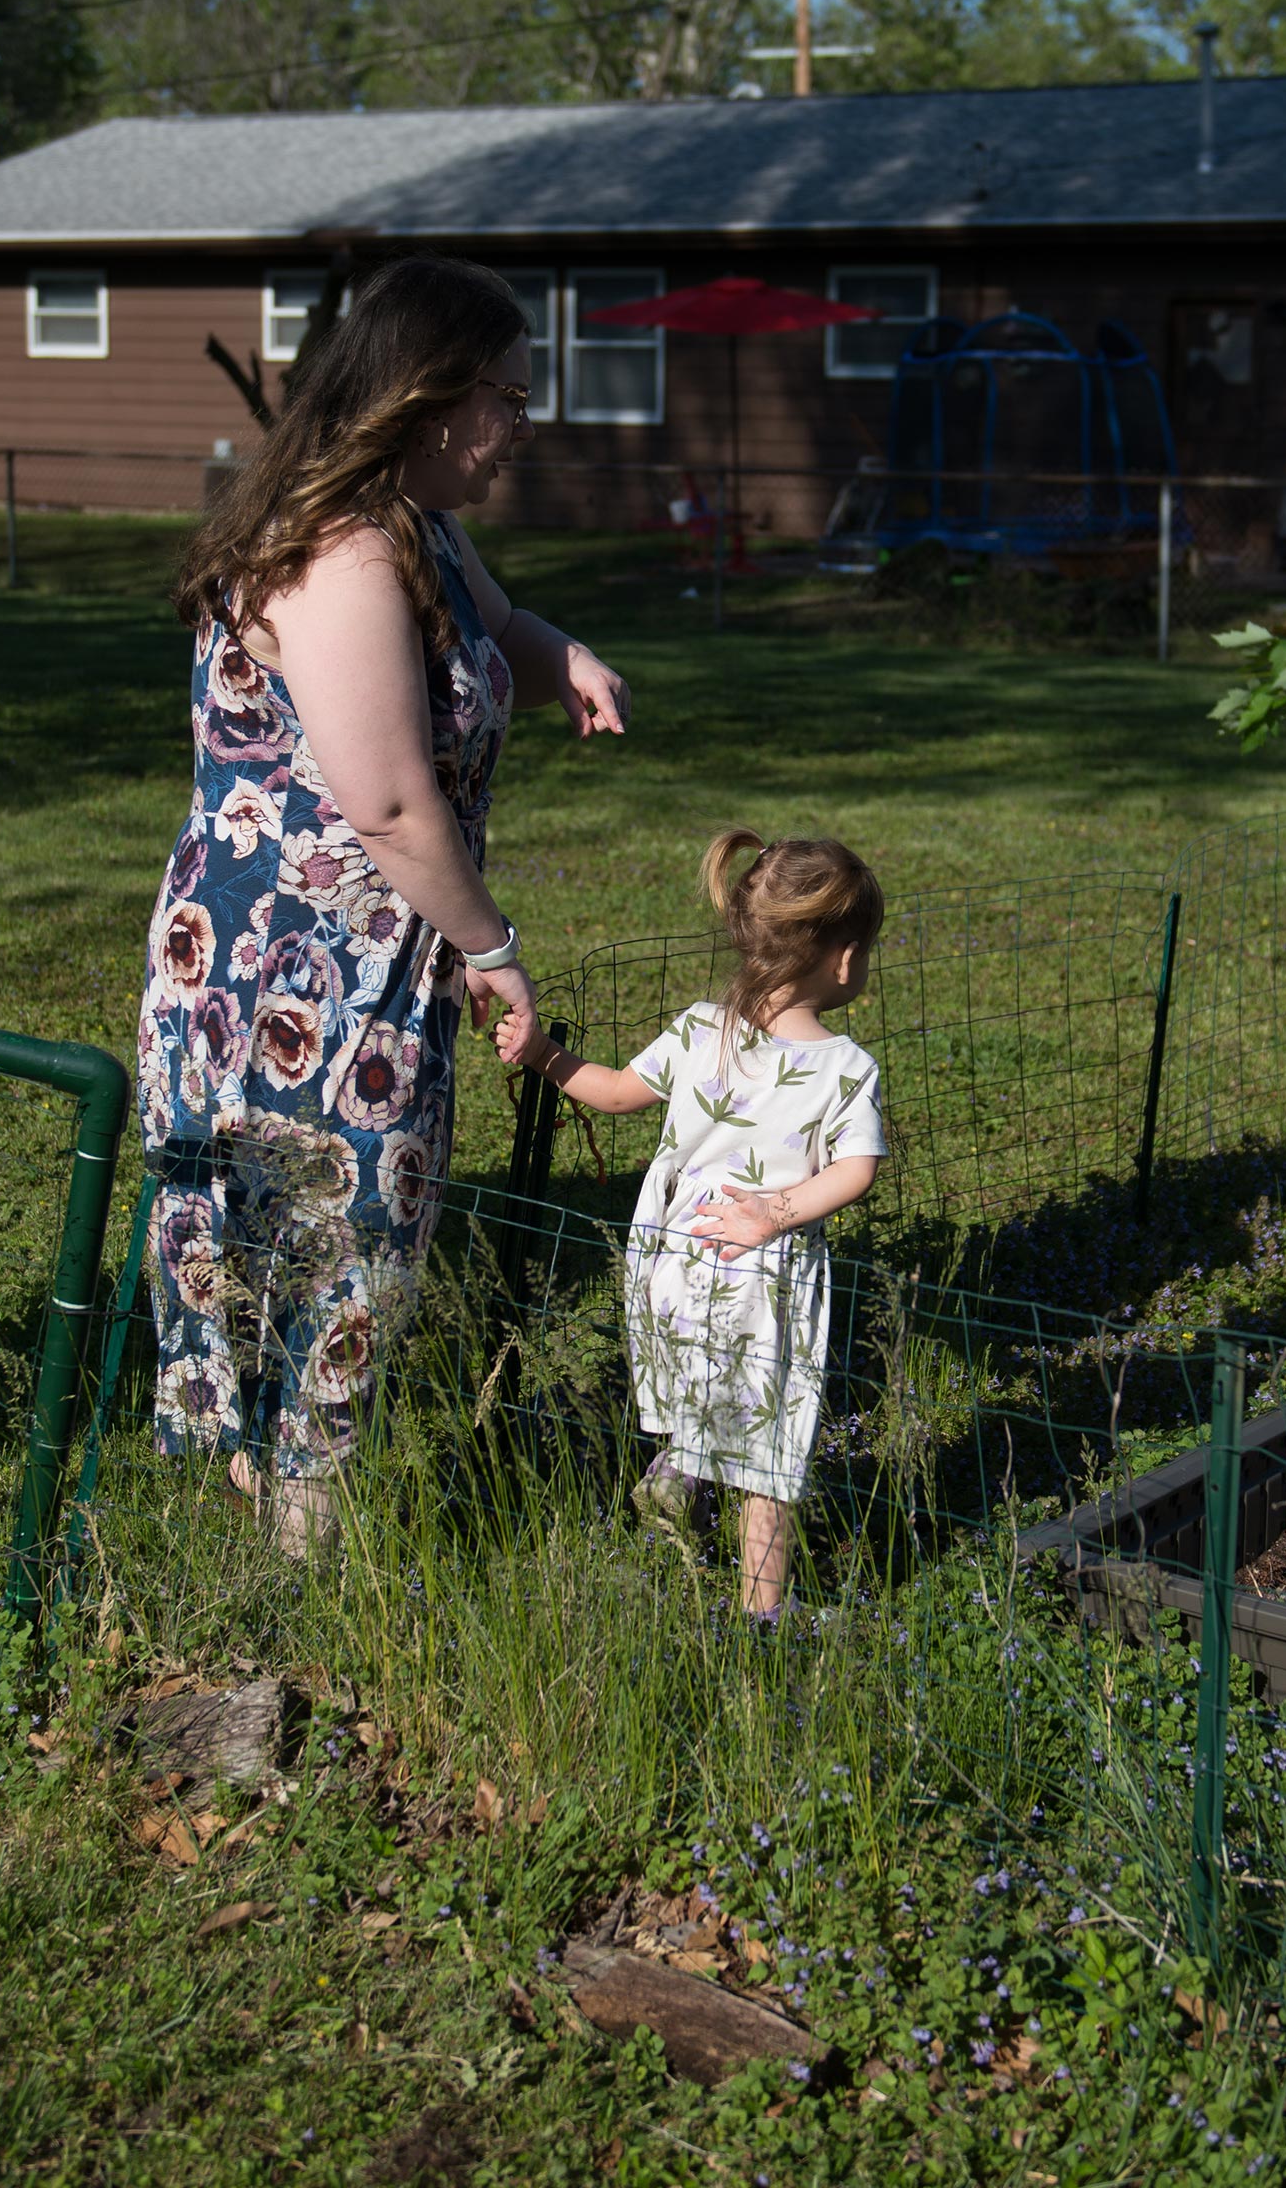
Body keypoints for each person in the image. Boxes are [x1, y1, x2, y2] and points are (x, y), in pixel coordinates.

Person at [137, 253, 631, 1552]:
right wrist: (494, 947)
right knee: (323, 1279)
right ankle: (296, 1579)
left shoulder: (416, 528)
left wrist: (559, 652)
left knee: (339, 1274)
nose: (524, 424)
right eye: (509, 398)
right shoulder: (343, 553)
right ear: (431, 396)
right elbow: (391, 805)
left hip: (364, 976)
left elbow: (494, 616)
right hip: (291, 986)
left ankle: (279, 1550)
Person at [505, 831, 887, 1617]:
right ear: (844, 959)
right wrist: (775, 1211)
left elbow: (611, 1091)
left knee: (698, 1387)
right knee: (769, 1459)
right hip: (763, 1281)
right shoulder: (846, 1069)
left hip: (672, 1267)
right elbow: (857, 1170)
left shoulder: (696, 1030)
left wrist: (540, 1050)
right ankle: (761, 1617)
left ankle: (681, 1477)